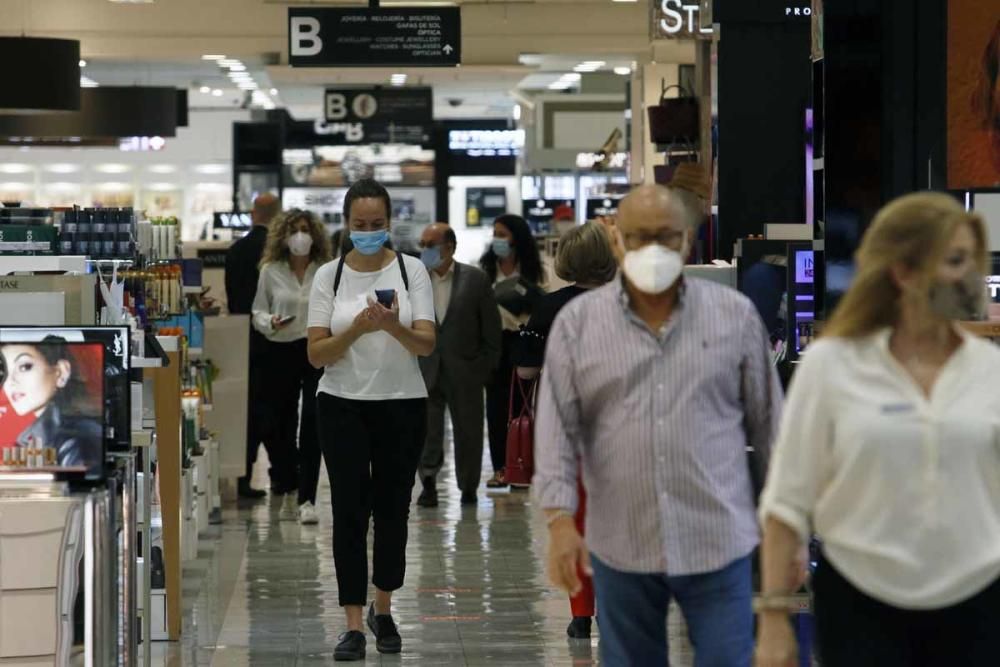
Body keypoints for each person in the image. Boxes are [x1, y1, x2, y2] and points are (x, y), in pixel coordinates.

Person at [534, 184, 782, 667]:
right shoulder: (579, 325)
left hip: (718, 538)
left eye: (665, 237)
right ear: (617, 241)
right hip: (621, 543)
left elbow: (771, 427)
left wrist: (786, 525)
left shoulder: (734, 317)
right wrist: (560, 521)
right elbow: (556, 431)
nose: (652, 248)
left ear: (687, 240)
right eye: (638, 236)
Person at [756, 193, 1000, 667]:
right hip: (861, 600)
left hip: (978, 597)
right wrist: (772, 619)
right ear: (902, 272)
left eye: (972, 260)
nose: (971, 277)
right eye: (954, 261)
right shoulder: (832, 365)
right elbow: (786, 500)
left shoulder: (989, 370)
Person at [306, 178, 436, 661]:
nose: (368, 232)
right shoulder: (329, 276)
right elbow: (317, 353)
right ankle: (353, 622)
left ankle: (384, 607)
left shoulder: (412, 271)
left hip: (402, 403)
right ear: (345, 223)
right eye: (359, 225)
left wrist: (392, 325)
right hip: (341, 404)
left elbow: (425, 344)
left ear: (389, 222)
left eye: (377, 225)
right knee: (349, 512)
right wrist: (358, 330)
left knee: (392, 510)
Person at [514, 222, 617, 640]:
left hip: (568, 426)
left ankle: (580, 611)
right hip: (620, 424)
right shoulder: (625, 302)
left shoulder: (549, 307)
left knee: (576, 517)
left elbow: (525, 370)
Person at [252, 209, 332, 525]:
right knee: (280, 423)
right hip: (280, 348)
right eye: (295, 230)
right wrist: (269, 321)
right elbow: (257, 310)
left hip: (315, 349)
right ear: (284, 236)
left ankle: (307, 498)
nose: (301, 236)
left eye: (305, 230)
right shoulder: (271, 270)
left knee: (313, 421)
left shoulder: (325, 270)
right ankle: (287, 482)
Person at [415, 223, 501, 508]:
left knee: (469, 432)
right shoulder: (415, 280)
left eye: (431, 244)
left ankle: (468, 487)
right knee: (427, 431)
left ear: (449, 247)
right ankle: (427, 483)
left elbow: (491, 330)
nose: (425, 250)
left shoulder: (475, 280)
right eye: (422, 244)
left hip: (466, 370)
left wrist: (483, 368)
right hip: (425, 369)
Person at [479, 214, 546, 489]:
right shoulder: (485, 271)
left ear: (516, 238)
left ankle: (522, 466)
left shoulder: (534, 271)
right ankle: (499, 468)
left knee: (522, 407)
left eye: (502, 234)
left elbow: (541, 307)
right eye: (495, 233)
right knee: (495, 409)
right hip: (495, 344)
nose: (497, 239)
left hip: (522, 343)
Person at [225, 192, 281, 499]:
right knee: (279, 409)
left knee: (247, 410)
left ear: (253, 214)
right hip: (277, 341)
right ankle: (282, 472)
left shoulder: (237, 250)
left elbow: (234, 299)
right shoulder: (277, 254)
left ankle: (244, 476)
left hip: (243, 341)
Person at [0, 341, 102, 474]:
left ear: (61, 372)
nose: (10, 381)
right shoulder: (30, 437)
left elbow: (81, 488)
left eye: (24, 367)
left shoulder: (78, 438)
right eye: (3, 372)